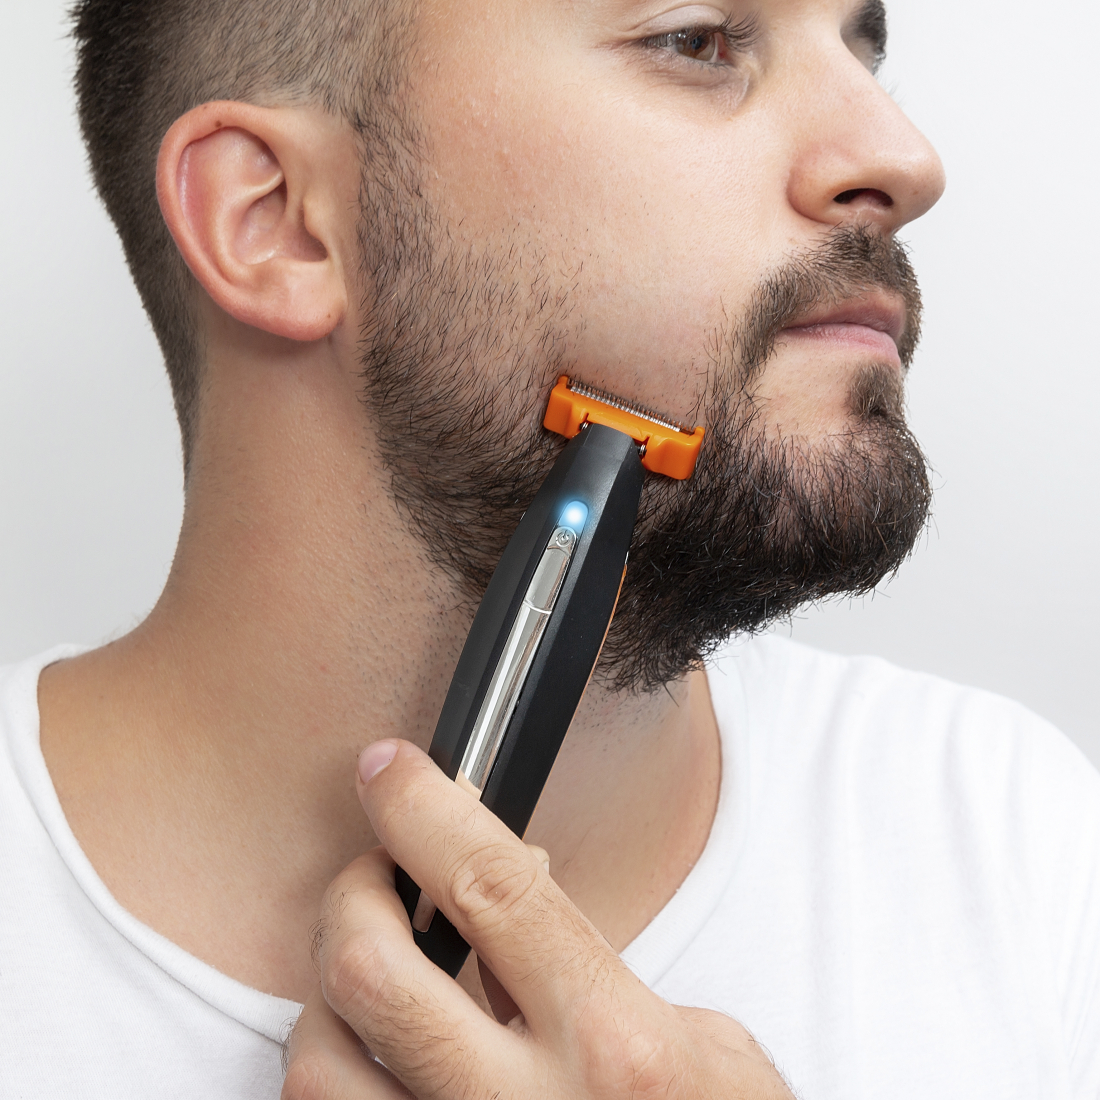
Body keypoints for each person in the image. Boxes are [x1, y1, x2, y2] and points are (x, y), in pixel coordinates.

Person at [2, 0, 1098, 1096]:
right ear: (281, 220)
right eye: (697, 40)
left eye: (865, 49)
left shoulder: (1016, 846)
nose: (904, 158)